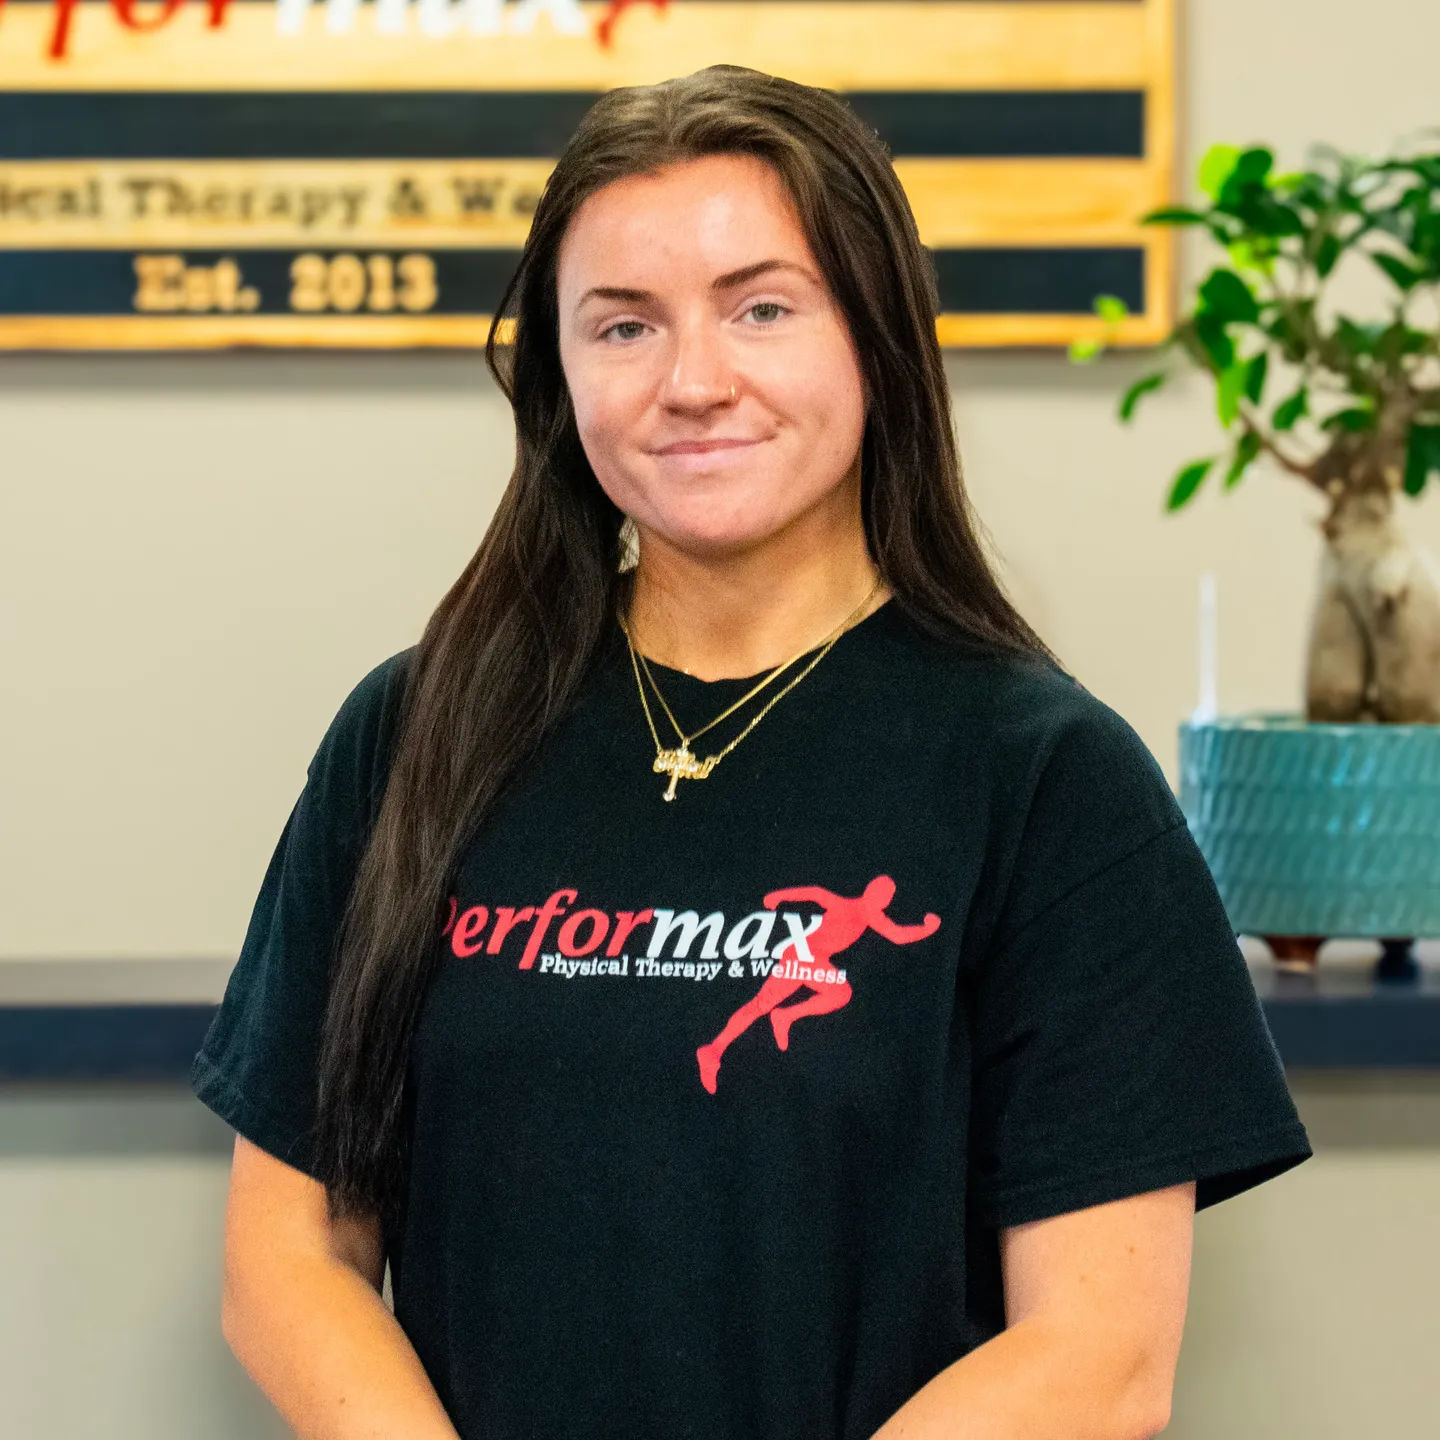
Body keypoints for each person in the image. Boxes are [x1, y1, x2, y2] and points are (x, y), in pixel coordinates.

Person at [191, 65, 1311, 1440]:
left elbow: (1100, 1359)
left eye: (762, 307)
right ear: (558, 369)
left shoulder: (1046, 780)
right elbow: (284, 1258)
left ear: (876, 338)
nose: (693, 382)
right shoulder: (413, 735)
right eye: (623, 327)